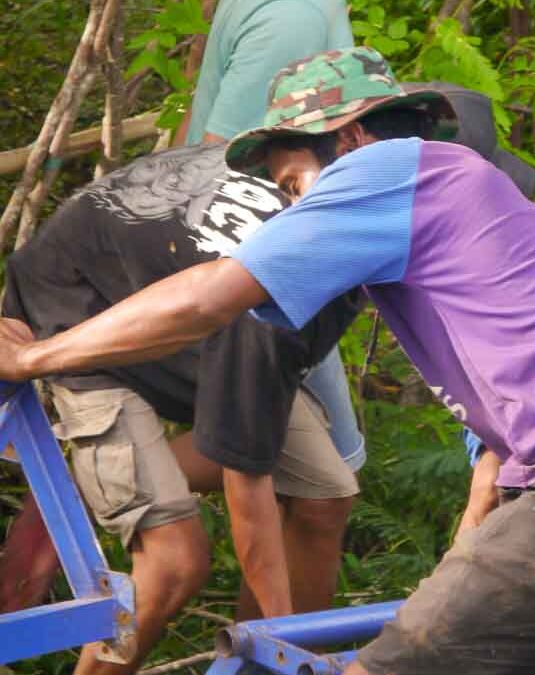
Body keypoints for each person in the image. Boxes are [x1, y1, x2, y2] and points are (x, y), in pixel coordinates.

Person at [2, 47, 535, 675]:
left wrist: (36, 358)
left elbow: (205, 299)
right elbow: (494, 473)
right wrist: (456, 582)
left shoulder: (387, 169)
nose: (288, 209)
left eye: (290, 185)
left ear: (346, 136)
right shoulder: (479, 245)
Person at [0, 143, 362, 675]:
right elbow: (246, 474)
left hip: (180, 299)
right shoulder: (283, 284)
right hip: (78, 305)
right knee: (175, 562)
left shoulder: (341, 187)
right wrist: (282, 639)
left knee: (323, 499)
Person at [174, 0, 368, 499]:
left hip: (270, 262)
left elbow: (192, 137)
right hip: (263, 268)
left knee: (318, 486)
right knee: (323, 482)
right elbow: (211, 161)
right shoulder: (290, 15)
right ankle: (93, 487)